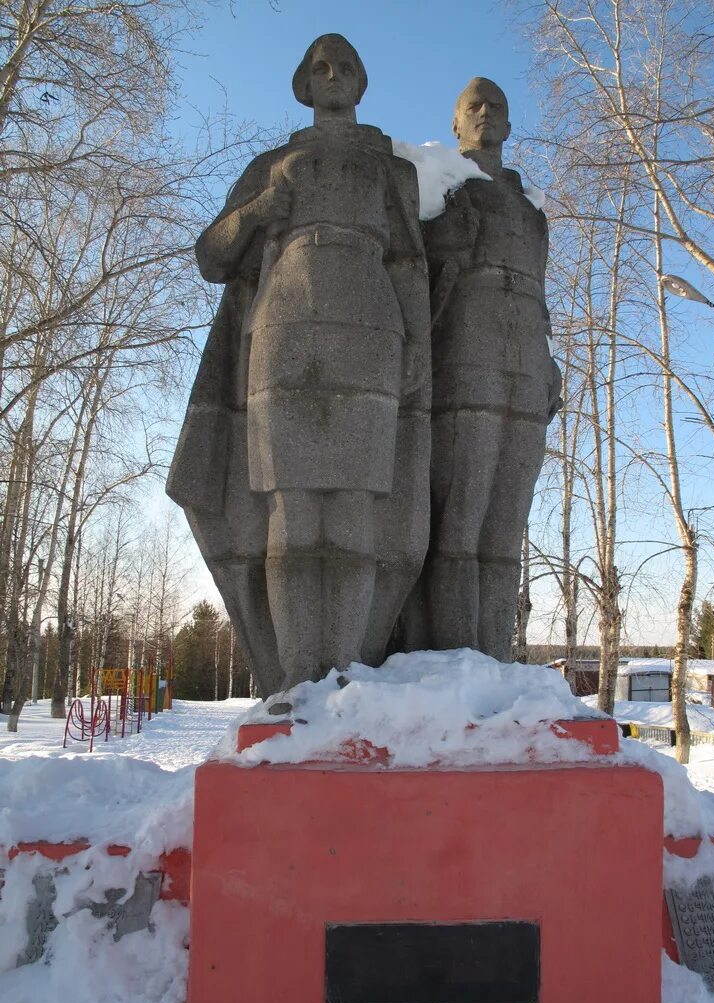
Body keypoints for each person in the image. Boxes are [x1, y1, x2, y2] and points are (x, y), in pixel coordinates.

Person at [168, 34, 429, 690]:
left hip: (370, 335)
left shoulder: (392, 169)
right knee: (291, 511)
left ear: (361, 84)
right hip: (283, 334)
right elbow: (212, 256)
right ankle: (294, 679)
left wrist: (418, 344)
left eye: (345, 66)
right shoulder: (271, 163)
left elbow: (410, 265)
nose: (333, 74)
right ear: (304, 85)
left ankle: (342, 673)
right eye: (321, 66)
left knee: (352, 510)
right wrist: (261, 208)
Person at [409, 77, 562, 659]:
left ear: (509, 122)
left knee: (505, 528)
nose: (486, 114)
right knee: (461, 520)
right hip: (462, 360)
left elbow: (540, 296)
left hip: (523, 364)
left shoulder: (530, 211)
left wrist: (547, 361)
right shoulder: (438, 186)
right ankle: (453, 659)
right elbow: (407, 273)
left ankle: (491, 658)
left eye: (496, 106)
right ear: (455, 124)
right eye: (473, 106)